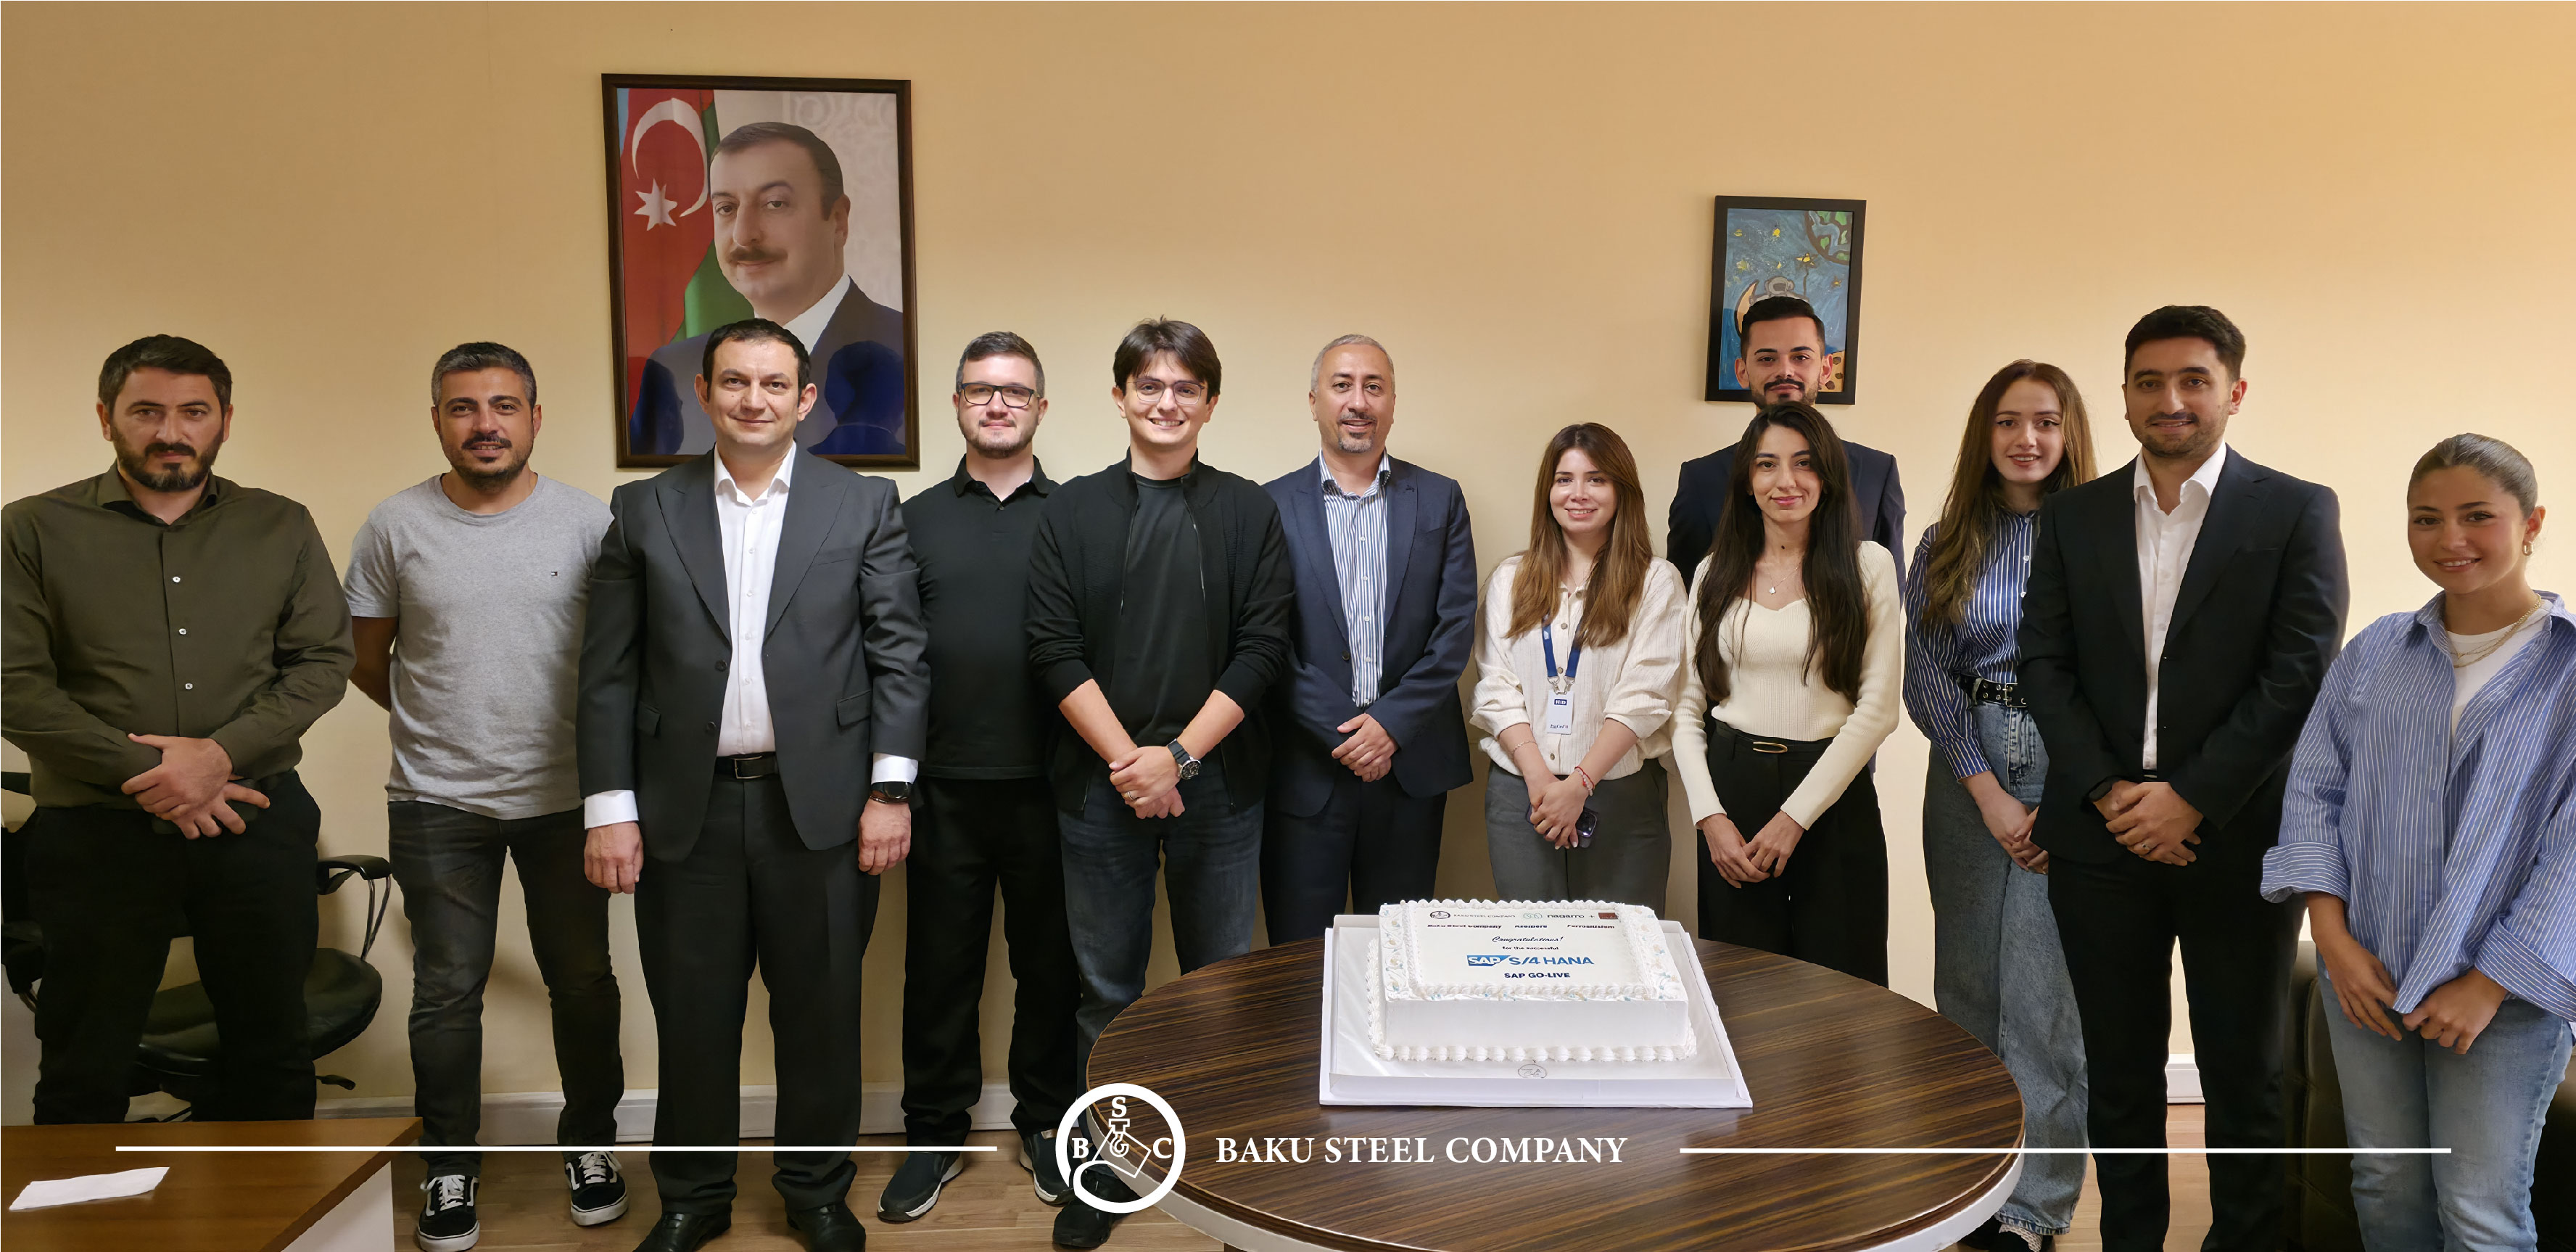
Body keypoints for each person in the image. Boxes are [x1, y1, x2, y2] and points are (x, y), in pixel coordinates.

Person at [578, 318, 927, 1252]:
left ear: (805, 400)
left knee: (821, 1016)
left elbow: (900, 656)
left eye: (775, 384)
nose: (754, 400)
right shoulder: (643, 509)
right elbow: (607, 673)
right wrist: (610, 809)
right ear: (705, 394)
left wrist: (890, 792)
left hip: (821, 808)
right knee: (694, 1018)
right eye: (734, 381)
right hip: (682, 812)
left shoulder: (863, 504)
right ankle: (693, 1197)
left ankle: (816, 1192)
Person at [2018, 305, 2348, 1251]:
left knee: (2245, 1071)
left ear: (2233, 392)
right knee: (2118, 1072)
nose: (2171, 399)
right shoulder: (2073, 515)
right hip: (2100, 838)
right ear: (2124, 396)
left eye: (2194, 380)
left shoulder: (2295, 510)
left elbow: (2299, 671)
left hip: (2235, 836)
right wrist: (2108, 791)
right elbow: (2043, 661)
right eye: (2150, 381)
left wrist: (2190, 797)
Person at [2, 334, 353, 1124]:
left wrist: (220, 755)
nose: (171, 431)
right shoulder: (31, 529)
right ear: (106, 419)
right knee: (84, 1064)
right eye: (146, 412)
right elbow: (14, 685)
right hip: (96, 833)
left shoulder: (281, 524)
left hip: (255, 820)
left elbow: (322, 660)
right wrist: (158, 774)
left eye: (194, 412)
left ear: (225, 420)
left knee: (273, 1053)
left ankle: (269, 1207)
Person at [342, 343, 628, 1251]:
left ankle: (591, 1143)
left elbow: (619, 661)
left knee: (581, 982)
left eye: (504, 406)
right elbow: (367, 661)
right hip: (437, 800)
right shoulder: (395, 524)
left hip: (566, 798)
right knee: (445, 992)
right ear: (437, 420)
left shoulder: (589, 522)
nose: (485, 424)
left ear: (535, 419)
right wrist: (446, 724)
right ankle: (451, 1165)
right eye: (463, 407)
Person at [2262, 434, 2575, 1251]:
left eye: (2478, 516)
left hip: (2505, 994)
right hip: (2368, 975)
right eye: (2426, 519)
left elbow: (2572, 851)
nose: (2450, 539)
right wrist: (2333, 941)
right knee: (2386, 1184)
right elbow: (2314, 792)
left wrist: (2488, 984)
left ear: (2532, 523)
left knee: (2479, 1209)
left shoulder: (2570, 667)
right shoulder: (2375, 652)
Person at [1023, 318, 1294, 1249]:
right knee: (1108, 988)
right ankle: (1114, 1161)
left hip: (1220, 787)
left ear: (1210, 403)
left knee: (1218, 984)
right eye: (1149, 386)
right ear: (1120, 396)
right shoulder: (1071, 512)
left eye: (1185, 388)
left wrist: (1176, 759)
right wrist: (1131, 765)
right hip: (1100, 790)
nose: (1167, 402)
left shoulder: (1248, 510)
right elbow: (1051, 649)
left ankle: (1215, 1166)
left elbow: (1263, 649)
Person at [879, 333, 1079, 1224]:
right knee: (939, 971)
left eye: (1016, 392)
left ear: (1041, 407)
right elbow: (884, 657)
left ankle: (1046, 1121)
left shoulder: (1078, 515)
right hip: (942, 788)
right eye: (980, 390)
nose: (998, 405)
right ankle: (933, 1132)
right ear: (957, 403)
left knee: (1052, 971)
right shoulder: (909, 519)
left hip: (1057, 785)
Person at [1902, 363, 2100, 1250]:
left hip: (2070, 761)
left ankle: (2034, 1210)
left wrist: (2067, 796)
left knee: (2044, 998)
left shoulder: (2102, 537)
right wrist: (1983, 787)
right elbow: (1926, 672)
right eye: (2009, 422)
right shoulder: (1946, 540)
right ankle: (1970, 1193)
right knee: (1969, 988)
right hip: (1967, 761)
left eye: (2046, 422)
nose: (2027, 439)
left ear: (2069, 434)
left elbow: (2121, 676)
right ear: (1984, 435)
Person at [1670, 403, 1902, 984]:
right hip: (1733, 792)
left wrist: (1793, 818)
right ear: (1747, 480)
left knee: (1843, 992)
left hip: (1831, 795)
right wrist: (1709, 817)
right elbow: (1687, 708)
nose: (1785, 481)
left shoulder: (1867, 565)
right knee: (1742, 989)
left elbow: (1878, 711)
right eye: (1766, 464)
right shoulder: (1714, 571)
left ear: (1827, 476)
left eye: (1804, 463)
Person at [1259, 334, 1477, 943]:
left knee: (1401, 957)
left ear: (1392, 403)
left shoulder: (1440, 498)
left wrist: (1389, 726)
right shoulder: (1268, 505)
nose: (1358, 401)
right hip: (1306, 770)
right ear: (1314, 401)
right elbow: (1265, 642)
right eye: (1342, 385)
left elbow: (1455, 629)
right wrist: (1349, 734)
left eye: (1373, 387)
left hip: (1409, 769)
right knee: (1302, 961)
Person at [1471, 422, 1683, 911]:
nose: (1578, 493)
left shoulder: (1656, 582)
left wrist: (1579, 785)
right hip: (1523, 794)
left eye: (1597, 479)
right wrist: (1542, 782)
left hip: (1620, 794)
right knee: (1533, 946)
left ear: (1622, 491)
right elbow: (1496, 688)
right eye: (1564, 479)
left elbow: (1645, 696)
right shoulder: (1510, 579)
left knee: (1620, 944)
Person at [629, 122, 907, 458]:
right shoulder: (674, 370)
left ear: (837, 219)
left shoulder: (909, 351)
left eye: (775, 204)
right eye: (726, 208)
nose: (743, 235)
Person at [1669, 295, 1904, 579]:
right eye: (1767, 359)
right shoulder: (1700, 479)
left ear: (1826, 369)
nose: (1785, 371)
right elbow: (1686, 592)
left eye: (1801, 357)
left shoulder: (1877, 473)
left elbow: (1890, 589)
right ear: (1742, 372)